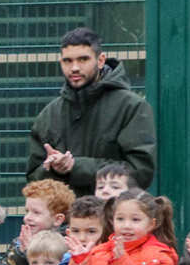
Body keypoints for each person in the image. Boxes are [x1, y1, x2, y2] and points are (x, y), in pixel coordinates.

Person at [26, 27, 157, 198]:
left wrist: (75, 167)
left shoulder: (131, 107)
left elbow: (140, 173)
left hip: (115, 219)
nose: (74, 68)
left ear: (101, 60)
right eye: (67, 61)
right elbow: (34, 182)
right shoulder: (49, 115)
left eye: (83, 59)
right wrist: (55, 170)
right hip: (66, 221)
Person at [0, 179, 73, 265]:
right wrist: (21, 252)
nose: (27, 217)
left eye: (36, 213)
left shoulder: (66, 245)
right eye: (27, 211)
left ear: (57, 219)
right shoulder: (20, 242)